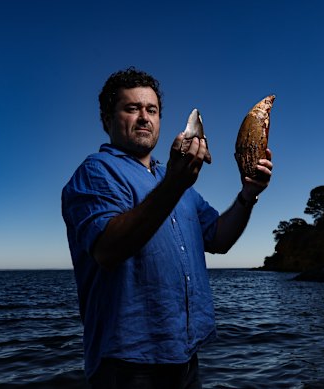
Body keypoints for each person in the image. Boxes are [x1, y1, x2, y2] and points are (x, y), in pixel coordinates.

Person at [61, 67, 273, 389]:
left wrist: (248, 195)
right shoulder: (96, 172)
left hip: (186, 355)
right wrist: (175, 183)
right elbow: (107, 249)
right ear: (107, 119)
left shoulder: (174, 180)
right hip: (129, 364)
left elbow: (219, 237)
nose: (145, 117)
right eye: (131, 108)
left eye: (152, 110)